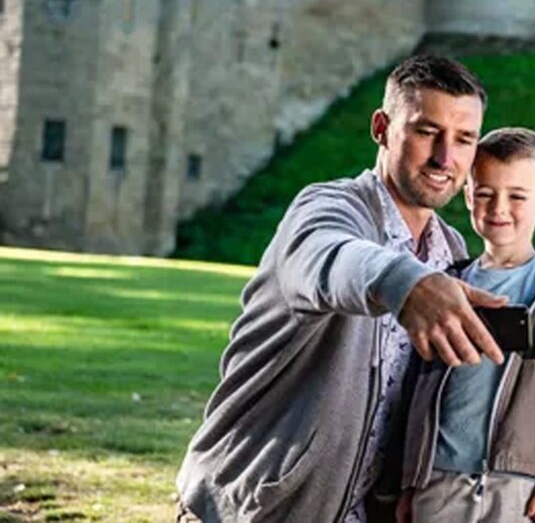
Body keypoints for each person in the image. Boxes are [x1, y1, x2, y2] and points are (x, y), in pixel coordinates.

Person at [176, 55, 509, 523]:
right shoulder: (326, 209)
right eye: (426, 132)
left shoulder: (450, 253)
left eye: (464, 139)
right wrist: (404, 283)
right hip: (257, 510)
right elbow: (327, 256)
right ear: (381, 127)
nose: (445, 158)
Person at [396, 127, 535, 523]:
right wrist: (407, 480)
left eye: (517, 196)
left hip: (520, 485)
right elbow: (416, 386)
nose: (499, 208)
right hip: (438, 478)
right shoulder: (445, 284)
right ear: (468, 196)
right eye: (484, 193)